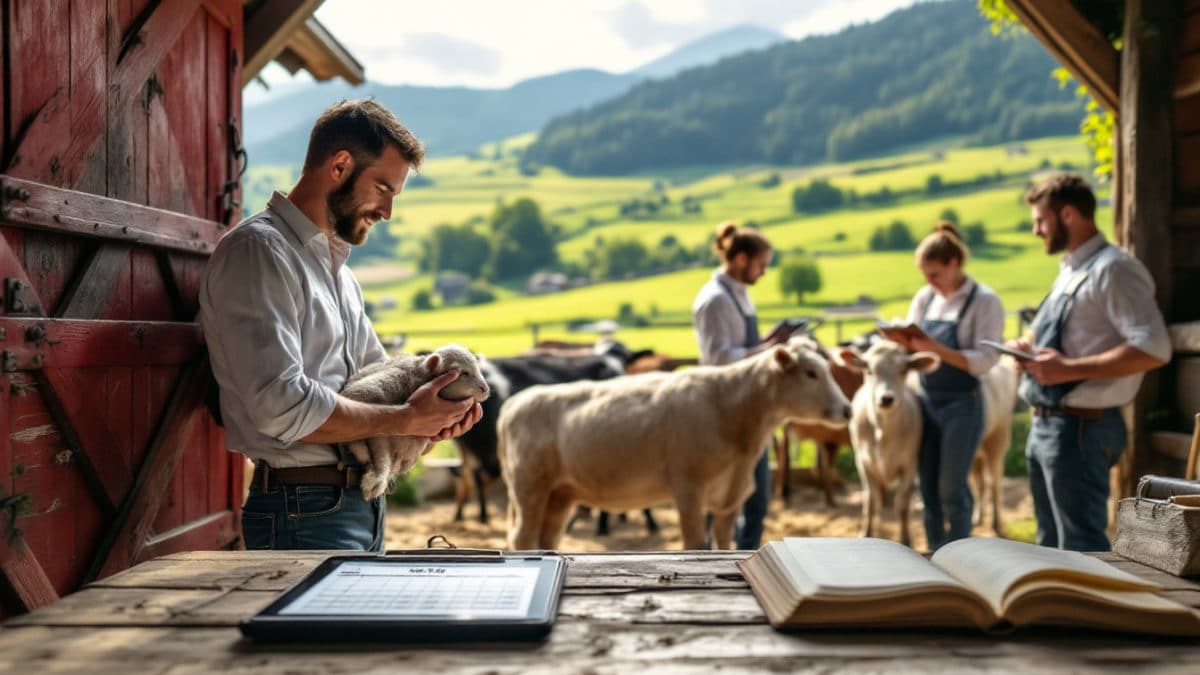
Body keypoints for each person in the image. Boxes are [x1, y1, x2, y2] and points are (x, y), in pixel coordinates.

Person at [200, 100, 482, 551]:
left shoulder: (340, 275)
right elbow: (281, 404)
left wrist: (432, 419)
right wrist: (407, 417)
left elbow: (380, 383)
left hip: (360, 501)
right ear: (340, 166)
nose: (387, 211)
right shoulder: (258, 253)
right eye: (382, 188)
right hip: (303, 507)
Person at [1008, 173, 1170, 552]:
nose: (1035, 231)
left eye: (1040, 221)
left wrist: (1068, 369)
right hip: (1050, 426)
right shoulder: (1071, 269)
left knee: (1080, 548)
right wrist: (1028, 349)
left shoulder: (1114, 269)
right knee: (1049, 545)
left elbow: (1155, 347)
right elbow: (1075, 338)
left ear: (1067, 215)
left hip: (1081, 431)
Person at [895, 222, 1005, 551]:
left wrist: (935, 348)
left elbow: (986, 359)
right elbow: (913, 344)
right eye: (926, 275)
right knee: (927, 487)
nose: (929, 282)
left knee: (951, 488)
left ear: (954, 264)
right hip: (926, 402)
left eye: (935, 274)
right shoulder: (925, 298)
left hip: (963, 403)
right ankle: (934, 553)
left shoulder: (984, 301)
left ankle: (960, 553)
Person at [692, 222, 796, 550]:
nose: (764, 272)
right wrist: (768, 349)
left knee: (756, 499)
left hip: (750, 411)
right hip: (722, 415)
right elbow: (719, 360)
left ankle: (746, 558)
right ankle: (708, 560)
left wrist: (768, 341)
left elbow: (741, 348)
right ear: (739, 259)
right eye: (761, 264)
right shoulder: (714, 301)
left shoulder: (740, 295)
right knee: (722, 496)